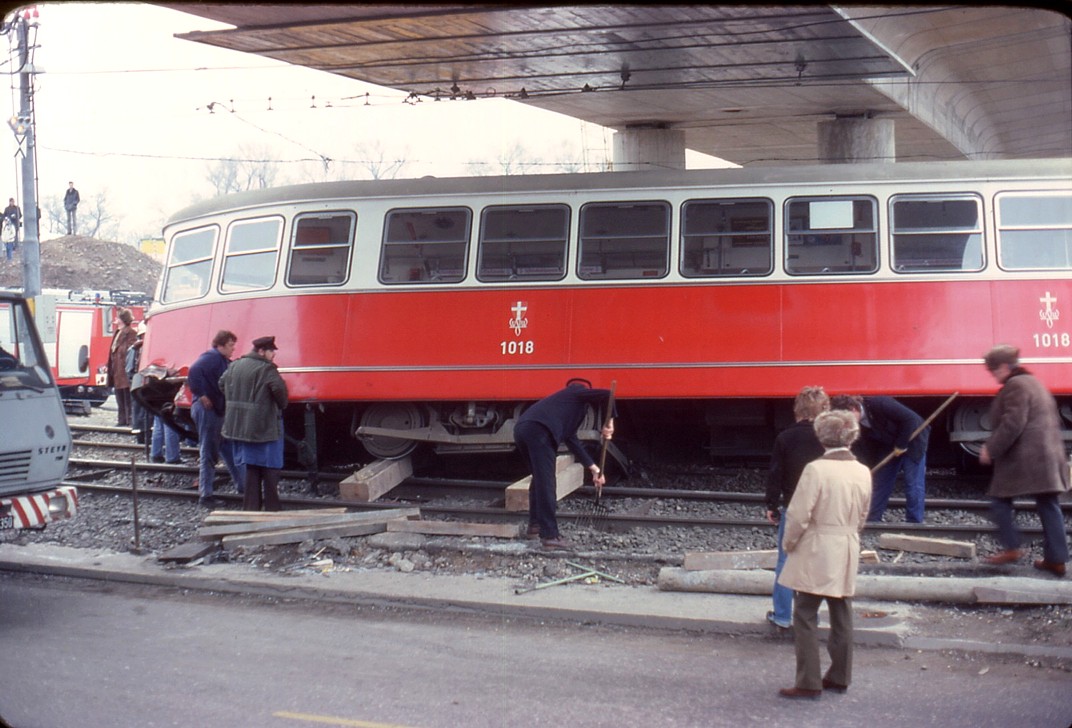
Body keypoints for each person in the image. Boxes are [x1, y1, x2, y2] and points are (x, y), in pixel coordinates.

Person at [777, 409, 872, 700]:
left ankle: (808, 682)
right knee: (841, 612)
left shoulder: (816, 470)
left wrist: (789, 544)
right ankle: (840, 676)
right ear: (851, 437)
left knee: (805, 612)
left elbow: (798, 515)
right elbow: (863, 514)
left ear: (822, 437)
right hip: (846, 545)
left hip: (817, 547)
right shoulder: (862, 471)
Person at [979, 344, 1070, 576]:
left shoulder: (1015, 385)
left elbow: (1013, 423)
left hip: (1026, 458)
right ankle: (1056, 560)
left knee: (1000, 501)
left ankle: (1011, 547)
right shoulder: (1034, 383)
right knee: (1048, 504)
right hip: (1047, 455)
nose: (993, 376)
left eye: (993, 370)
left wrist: (991, 449)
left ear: (1003, 366)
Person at [513, 378, 615, 549]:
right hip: (539, 431)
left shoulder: (564, 409)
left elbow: (572, 441)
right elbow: (609, 394)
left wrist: (595, 469)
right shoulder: (575, 392)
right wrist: (609, 423)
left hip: (522, 430)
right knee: (547, 482)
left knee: (539, 480)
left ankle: (535, 525)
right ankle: (550, 535)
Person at [764, 385, 829, 630]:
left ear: (797, 411)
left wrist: (771, 504)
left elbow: (775, 475)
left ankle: (782, 615)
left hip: (793, 509)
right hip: (821, 511)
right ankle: (810, 615)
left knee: (785, 562)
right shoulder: (827, 438)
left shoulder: (785, 437)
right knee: (815, 562)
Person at [830, 394, 928, 523]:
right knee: (880, 481)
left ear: (853, 409)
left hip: (913, 440)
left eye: (847, 419)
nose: (847, 424)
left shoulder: (880, 403)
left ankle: (914, 521)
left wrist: (901, 445)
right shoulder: (858, 424)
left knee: (913, 483)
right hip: (889, 444)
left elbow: (911, 419)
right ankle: (872, 518)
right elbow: (865, 449)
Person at [221, 336, 289, 511]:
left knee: (251, 467)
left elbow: (222, 383)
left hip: (240, 425)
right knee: (271, 467)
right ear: (261, 351)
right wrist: (282, 404)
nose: (273, 355)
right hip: (264, 425)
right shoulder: (267, 369)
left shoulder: (235, 365)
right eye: (271, 351)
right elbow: (278, 390)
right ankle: (273, 508)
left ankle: (251, 507)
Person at [188, 329, 245, 503]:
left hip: (214, 409)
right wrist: (202, 395)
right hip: (208, 409)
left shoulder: (219, 359)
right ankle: (206, 494)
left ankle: (242, 484)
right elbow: (194, 371)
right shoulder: (212, 358)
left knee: (224, 446)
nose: (233, 349)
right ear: (220, 345)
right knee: (210, 450)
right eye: (230, 345)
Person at [107, 308, 137, 427]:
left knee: (127, 396)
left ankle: (129, 419)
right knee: (119, 396)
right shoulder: (118, 332)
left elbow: (129, 352)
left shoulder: (131, 333)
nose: (115, 319)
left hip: (124, 370)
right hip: (117, 370)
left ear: (122, 319)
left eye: (118, 317)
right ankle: (122, 419)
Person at [127, 322, 147, 443]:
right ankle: (141, 435)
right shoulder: (135, 349)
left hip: (138, 380)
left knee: (141, 409)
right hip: (139, 379)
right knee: (140, 408)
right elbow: (129, 368)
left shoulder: (134, 349)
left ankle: (142, 434)